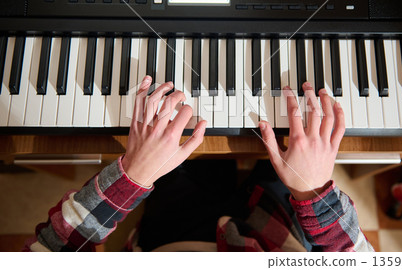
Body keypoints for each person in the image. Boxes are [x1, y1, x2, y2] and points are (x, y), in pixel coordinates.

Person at [23, 76, 374, 252]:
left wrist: (133, 176)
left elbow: (52, 251)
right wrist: (311, 191)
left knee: (192, 160)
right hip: (272, 232)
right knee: (279, 152)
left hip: (174, 237)